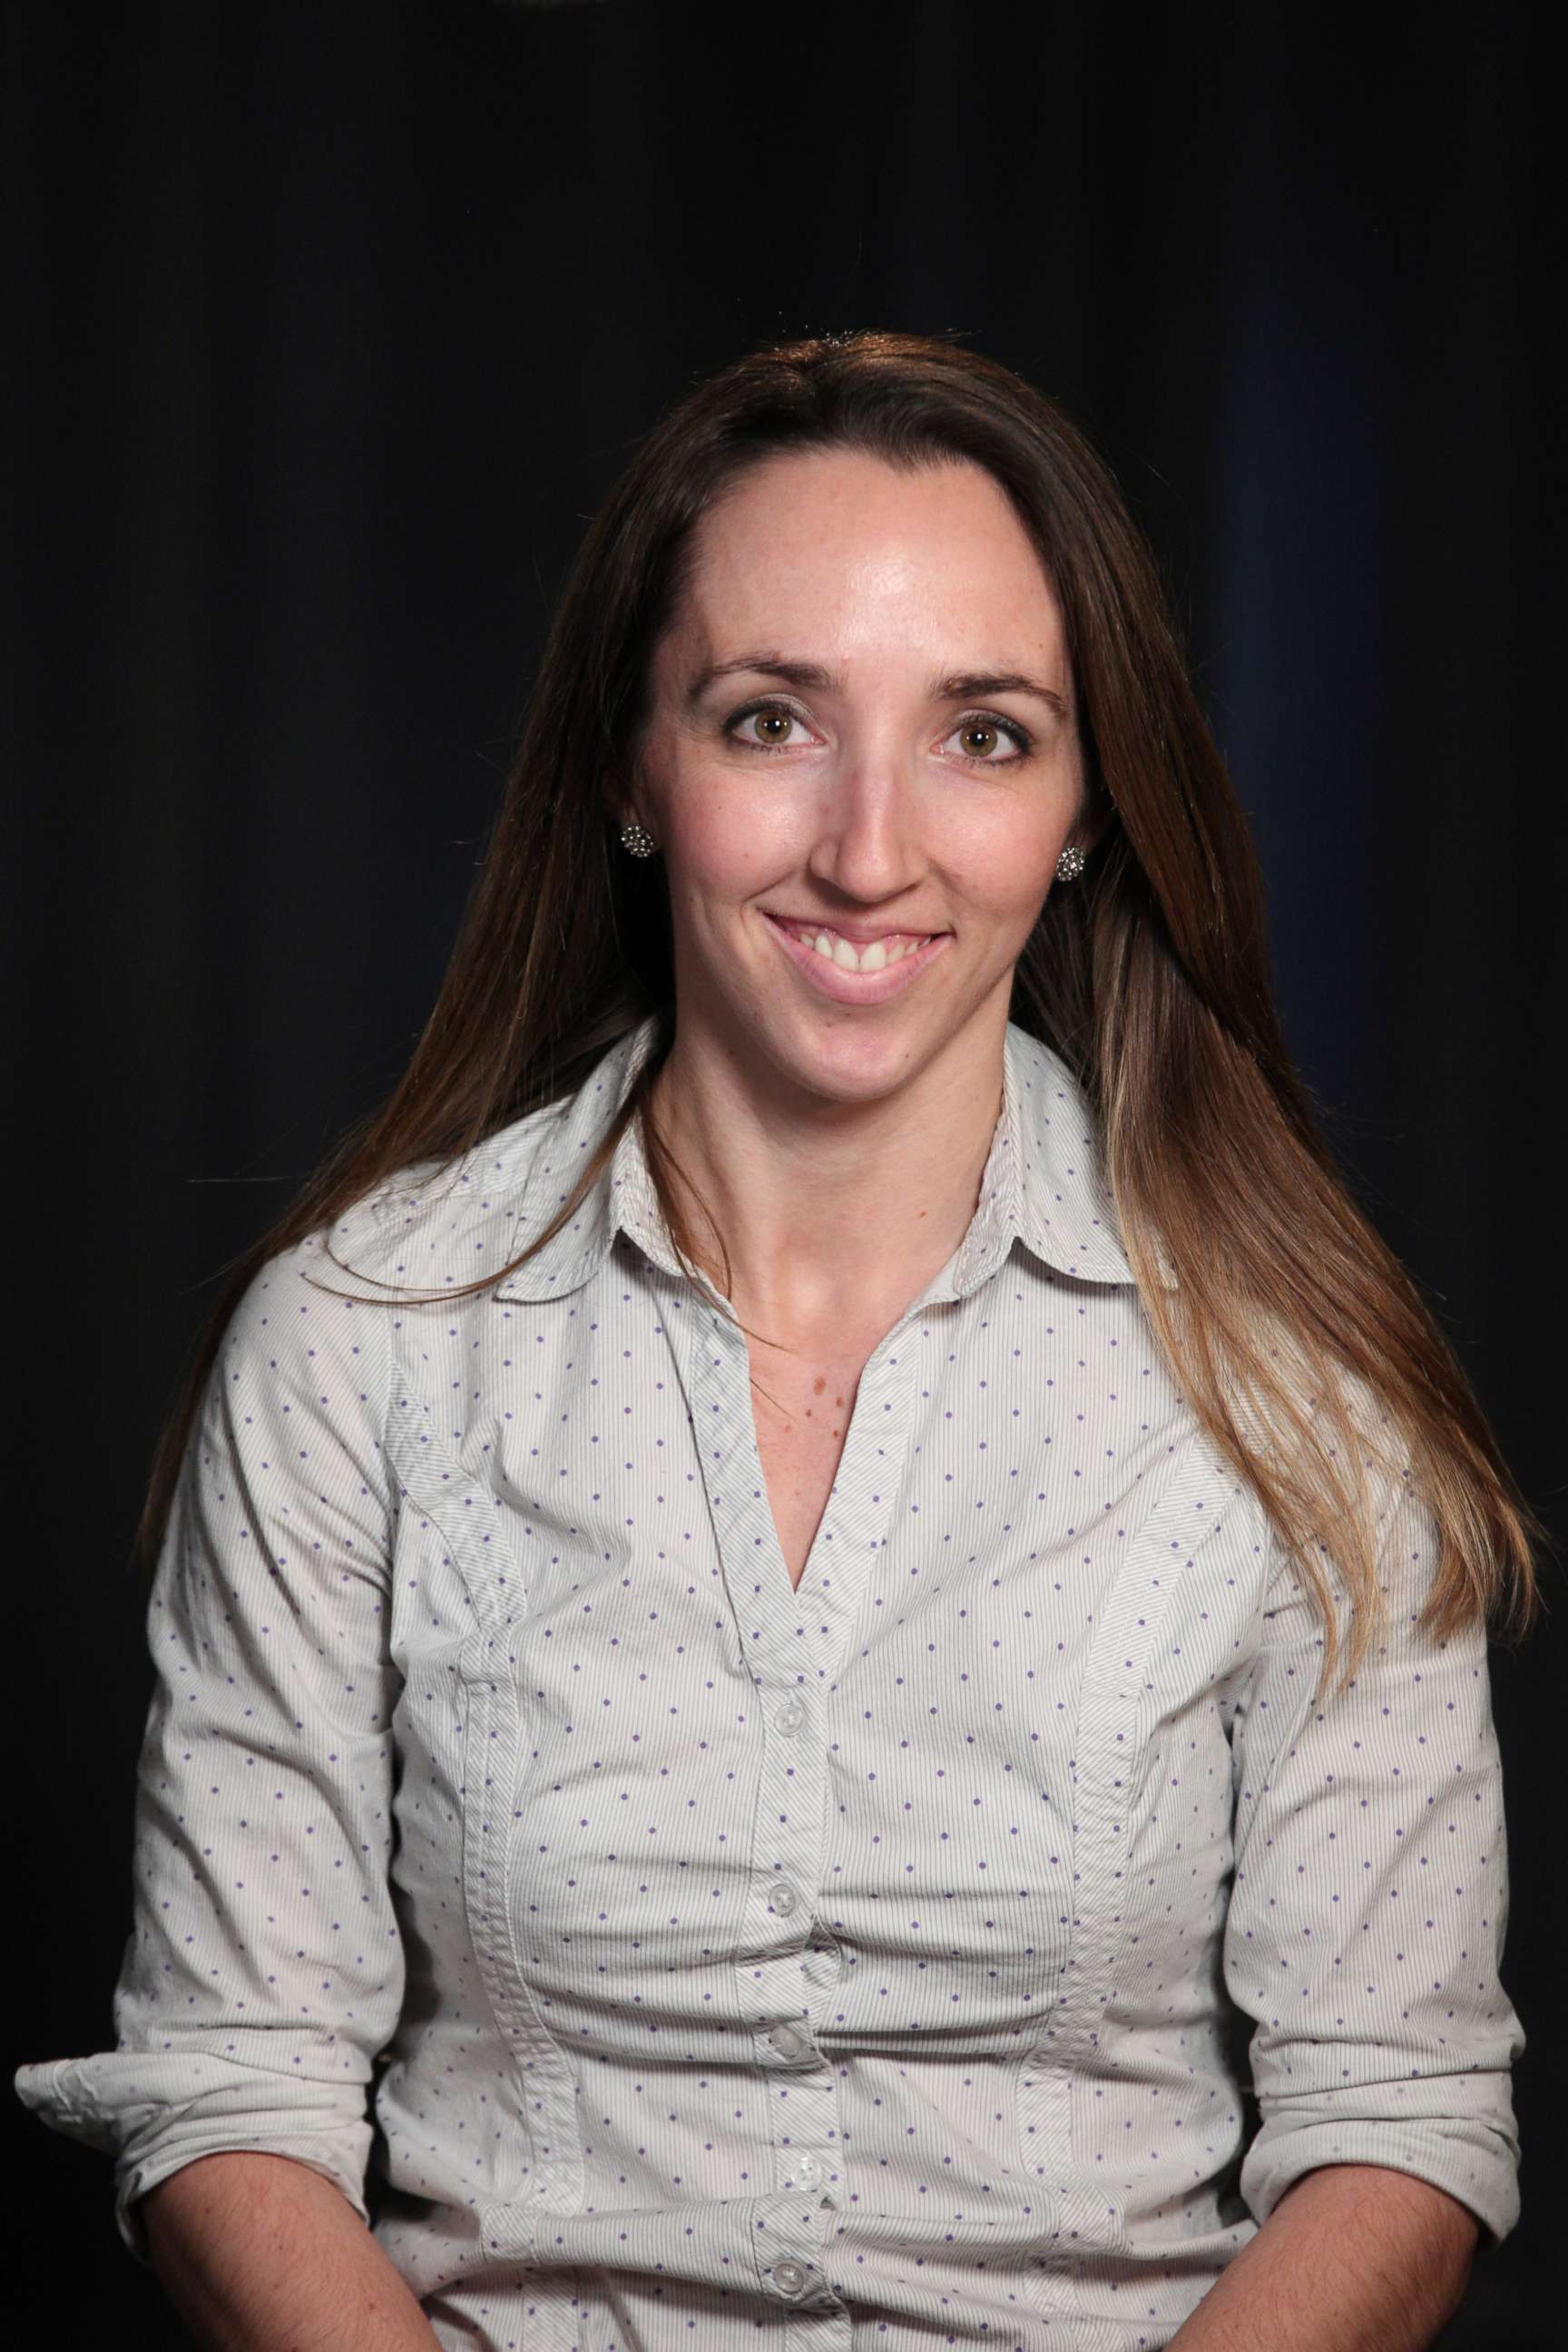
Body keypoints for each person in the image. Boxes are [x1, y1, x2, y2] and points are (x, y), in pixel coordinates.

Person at [15, 331, 1542, 2352]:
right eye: (769, 722)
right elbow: (231, 2087)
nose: (871, 848)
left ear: (1087, 808)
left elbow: (1399, 2120)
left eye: (984, 735)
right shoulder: (358, 1349)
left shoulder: (1296, 1389)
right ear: (631, 773)